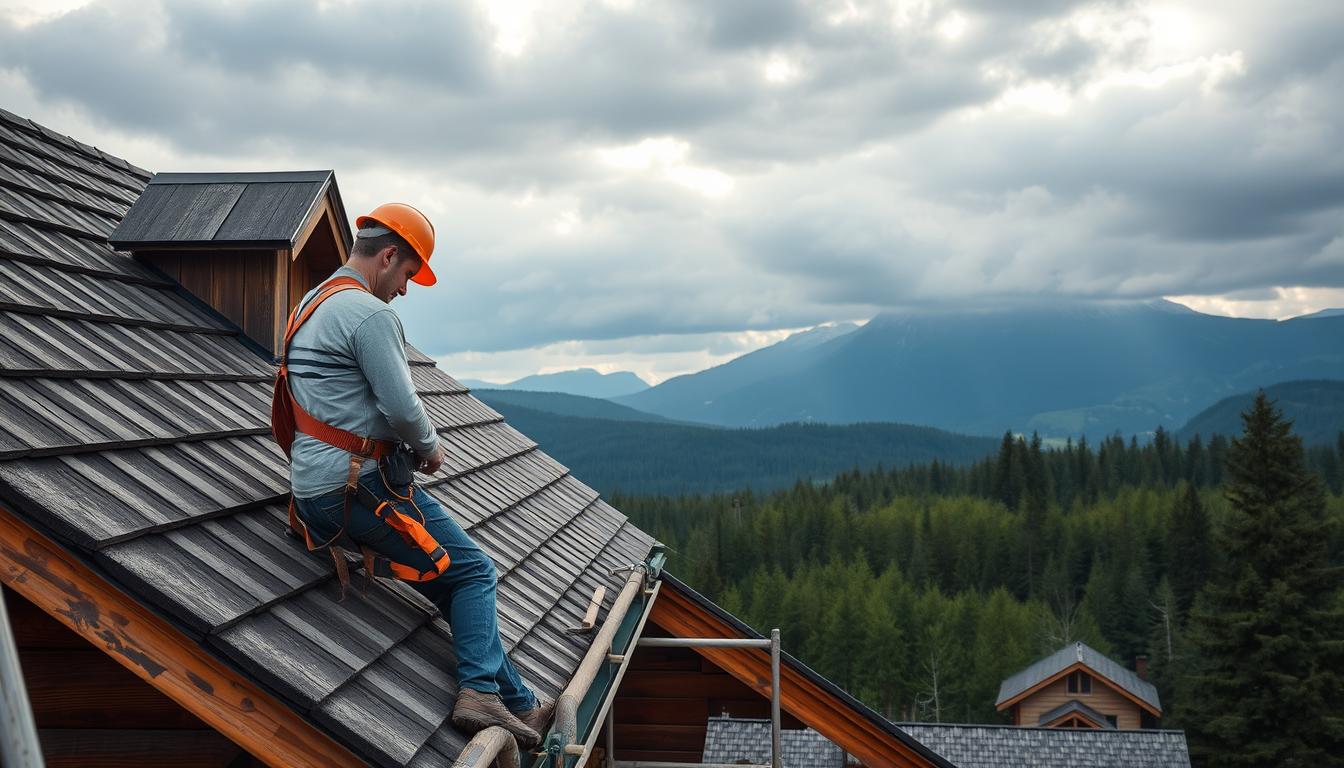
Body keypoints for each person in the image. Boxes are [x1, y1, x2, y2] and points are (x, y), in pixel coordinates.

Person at [284, 203, 552, 747]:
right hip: (357, 486)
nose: (404, 289)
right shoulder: (368, 314)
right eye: (407, 274)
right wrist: (429, 448)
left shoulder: (311, 303)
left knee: (447, 578)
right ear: (388, 256)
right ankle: (479, 694)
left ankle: (521, 704)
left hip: (313, 490)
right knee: (475, 571)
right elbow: (403, 408)